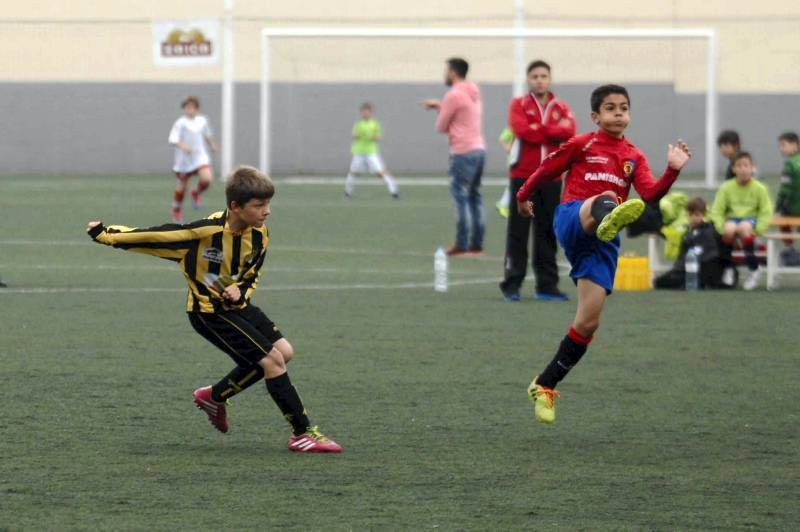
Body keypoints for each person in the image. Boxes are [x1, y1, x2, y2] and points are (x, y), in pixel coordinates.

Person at [85, 166, 342, 453]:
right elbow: (153, 237)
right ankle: (302, 433)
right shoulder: (203, 233)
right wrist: (104, 234)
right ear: (235, 206)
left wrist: (240, 290)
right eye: (259, 205)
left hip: (238, 307)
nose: (266, 211)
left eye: (268, 204)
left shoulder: (260, 234)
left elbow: (252, 272)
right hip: (209, 313)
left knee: (285, 353)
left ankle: (214, 396)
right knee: (271, 361)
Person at [516, 84, 691, 424]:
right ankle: (607, 215)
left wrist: (673, 169)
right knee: (606, 197)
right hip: (573, 217)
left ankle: (545, 384)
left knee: (588, 321)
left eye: (623, 107)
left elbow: (651, 193)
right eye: (610, 108)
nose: (618, 114)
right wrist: (523, 195)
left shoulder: (634, 156)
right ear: (596, 116)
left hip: (602, 244)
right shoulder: (583, 144)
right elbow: (547, 169)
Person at [500, 60, 576, 302]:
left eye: (544, 76)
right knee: (518, 232)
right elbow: (523, 131)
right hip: (523, 176)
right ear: (528, 79)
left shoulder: (561, 106)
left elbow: (569, 131)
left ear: (550, 79)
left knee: (547, 231)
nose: (539, 80)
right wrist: (552, 129)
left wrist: (541, 128)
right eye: (534, 76)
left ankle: (547, 286)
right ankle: (512, 284)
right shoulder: (518, 105)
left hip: (552, 177)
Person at [423, 57, 486, 256]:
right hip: (478, 149)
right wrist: (441, 106)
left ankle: (461, 243)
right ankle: (476, 244)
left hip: (462, 151)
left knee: (461, 197)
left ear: (453, 72)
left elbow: (441, 126)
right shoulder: (473, 90)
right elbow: (463, 114)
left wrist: (441, 109)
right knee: (475, 196)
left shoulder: (453, 94)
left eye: (447, 70)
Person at [710, 152, 774, 290]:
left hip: (750, 220)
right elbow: (717, 210)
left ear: (752, 168)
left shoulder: (760, 188)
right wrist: (720, 226)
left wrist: (759, 228)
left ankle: (754, 269)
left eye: (746, 165)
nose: (743, 169)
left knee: (745, 227)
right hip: (733, 220)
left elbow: (766, 211)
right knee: (728, 230)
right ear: (733, 169)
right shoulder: (726, 187)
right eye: (739, 166)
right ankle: (729, 269)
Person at [654, 197, 727, 289]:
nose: (693, 218)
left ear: (703, 215)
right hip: (685, 269)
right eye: (690, 215)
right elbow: (682, 256)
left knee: (674, 281)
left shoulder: (708, 231)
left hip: (702, 270)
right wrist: (677, 269)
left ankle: (695, 283)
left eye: (697, 215)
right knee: (659, 281)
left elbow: (709, 255)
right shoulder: (687, 234)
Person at [169, 96, 218, 223]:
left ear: (197, 109)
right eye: (187, 107)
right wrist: (183, 146)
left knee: (207, 179)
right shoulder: (180, 123)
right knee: (182, 187)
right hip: (184, 161)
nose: (189, 110)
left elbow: (207, 134)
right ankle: (176, 209)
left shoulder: (202, 121)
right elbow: (173, 139)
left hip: (199, 157)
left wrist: (212, 144)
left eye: (192, 107)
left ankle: (196, 192)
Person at [344, 102, 399, 199]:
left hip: (371, 152)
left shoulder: (375, 124)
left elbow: (378, 137)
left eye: (367, 112)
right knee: (353, 172)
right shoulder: (358, 124)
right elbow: (354, 135)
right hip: (359, 152)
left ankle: (394, 192)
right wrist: (357, 135)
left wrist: (372, 137)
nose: (365, 114)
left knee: (380, 172)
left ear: (371, 113)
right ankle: (348, 193)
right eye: (363, 112)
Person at [776, 131, 800, 265]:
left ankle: (791, 249)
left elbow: (785, 189)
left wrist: (778, 206)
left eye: (784, 145)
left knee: (782, 222)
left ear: (795, 145)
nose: (781, 149)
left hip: (793, 208)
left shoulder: (789, 164)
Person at [495, 126, 515, 219]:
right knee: (514, 184)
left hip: (524, 161)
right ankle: (503, 204)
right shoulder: (515, 125)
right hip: (515, 161)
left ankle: (503, 204)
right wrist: (508, 148)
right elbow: (503, 138)